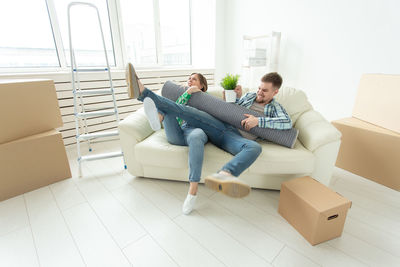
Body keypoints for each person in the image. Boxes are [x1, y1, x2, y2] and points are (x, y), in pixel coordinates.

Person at [126, 63, 292, 206]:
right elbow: (231, 111)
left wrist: (259, 122)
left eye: (264, 91)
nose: (259, 93)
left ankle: (224, 175)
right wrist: (236, 97)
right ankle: (143, 92)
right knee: (189, 111)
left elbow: (287, 123)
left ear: (275, 92)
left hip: (235, 139)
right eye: (259, 88)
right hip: (220, 126)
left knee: (255, 148)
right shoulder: (250, 96)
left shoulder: (275, 108)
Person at [127, 64, 209, 215]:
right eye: (189, 79)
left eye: (194, 79)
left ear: (202, 85)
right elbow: (176, 108)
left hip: (195, 131)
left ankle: (192, 192)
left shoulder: (207, 100)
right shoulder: (184, 95)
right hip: (178, 132)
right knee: (169, 107)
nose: (190, 81)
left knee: (197, 134)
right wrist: (188, 93)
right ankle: (157, 118)